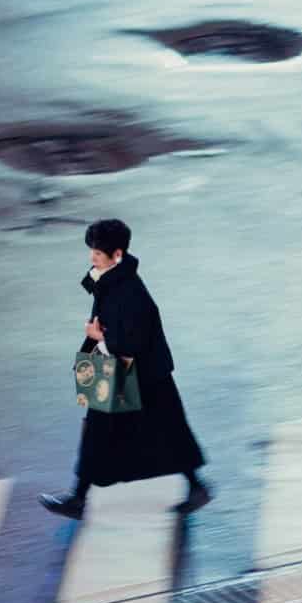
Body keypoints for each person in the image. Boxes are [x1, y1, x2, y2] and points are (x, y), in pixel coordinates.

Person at [41, 219, 212, 520]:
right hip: (132, 369)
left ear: (116, 254)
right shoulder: (115, 278)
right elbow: (95, 285)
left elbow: (131, 341)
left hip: (139, 372)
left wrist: (99, 338)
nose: (92, 257)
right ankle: (80, 497)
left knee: (161, 431)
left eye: (97, 252)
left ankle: (79, 498)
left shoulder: (130, 292)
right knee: (157, 431)